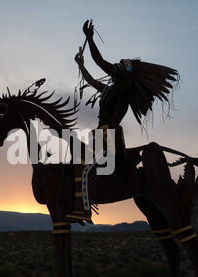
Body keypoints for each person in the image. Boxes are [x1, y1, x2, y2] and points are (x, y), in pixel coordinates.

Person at [67, 20, 180, 223]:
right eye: (119, 63)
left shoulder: (123, 89)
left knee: (83, 164)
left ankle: (83, 210)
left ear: (127, 76)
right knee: (77, 157)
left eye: (122, 65)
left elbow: (100, 61)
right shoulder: (110, 90)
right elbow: (92, 80)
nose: (118, 64)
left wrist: (91, 39)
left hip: (109, 136)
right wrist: (81, 65)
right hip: (101, 133)